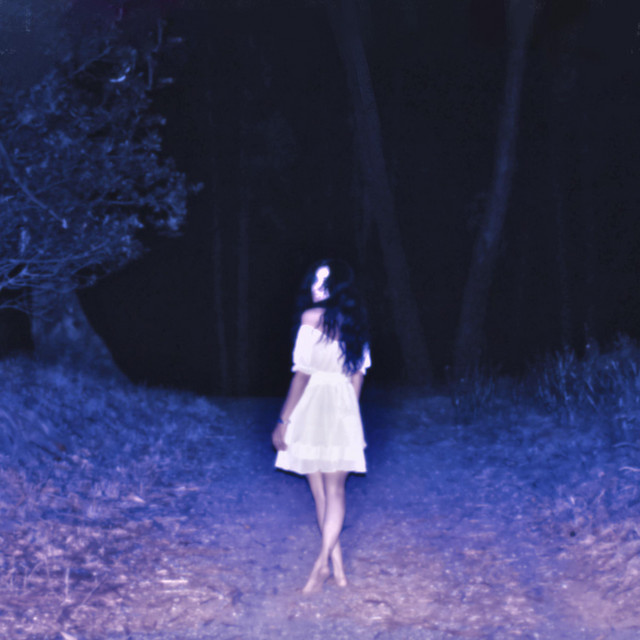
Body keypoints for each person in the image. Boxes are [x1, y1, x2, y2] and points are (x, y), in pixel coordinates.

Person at [272, 259, 371, 594]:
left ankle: (320, 565)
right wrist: (349, 417)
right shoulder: (358, 325)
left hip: (313, 405)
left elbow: (302, 375)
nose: (316, 287)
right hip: (343, 405)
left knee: (321, 493)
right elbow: (357, 377)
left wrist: (283, 421)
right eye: (315, 280)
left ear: (338, 287)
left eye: (324, 282)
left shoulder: (311, 318)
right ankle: (337, 570)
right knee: (333, 492)